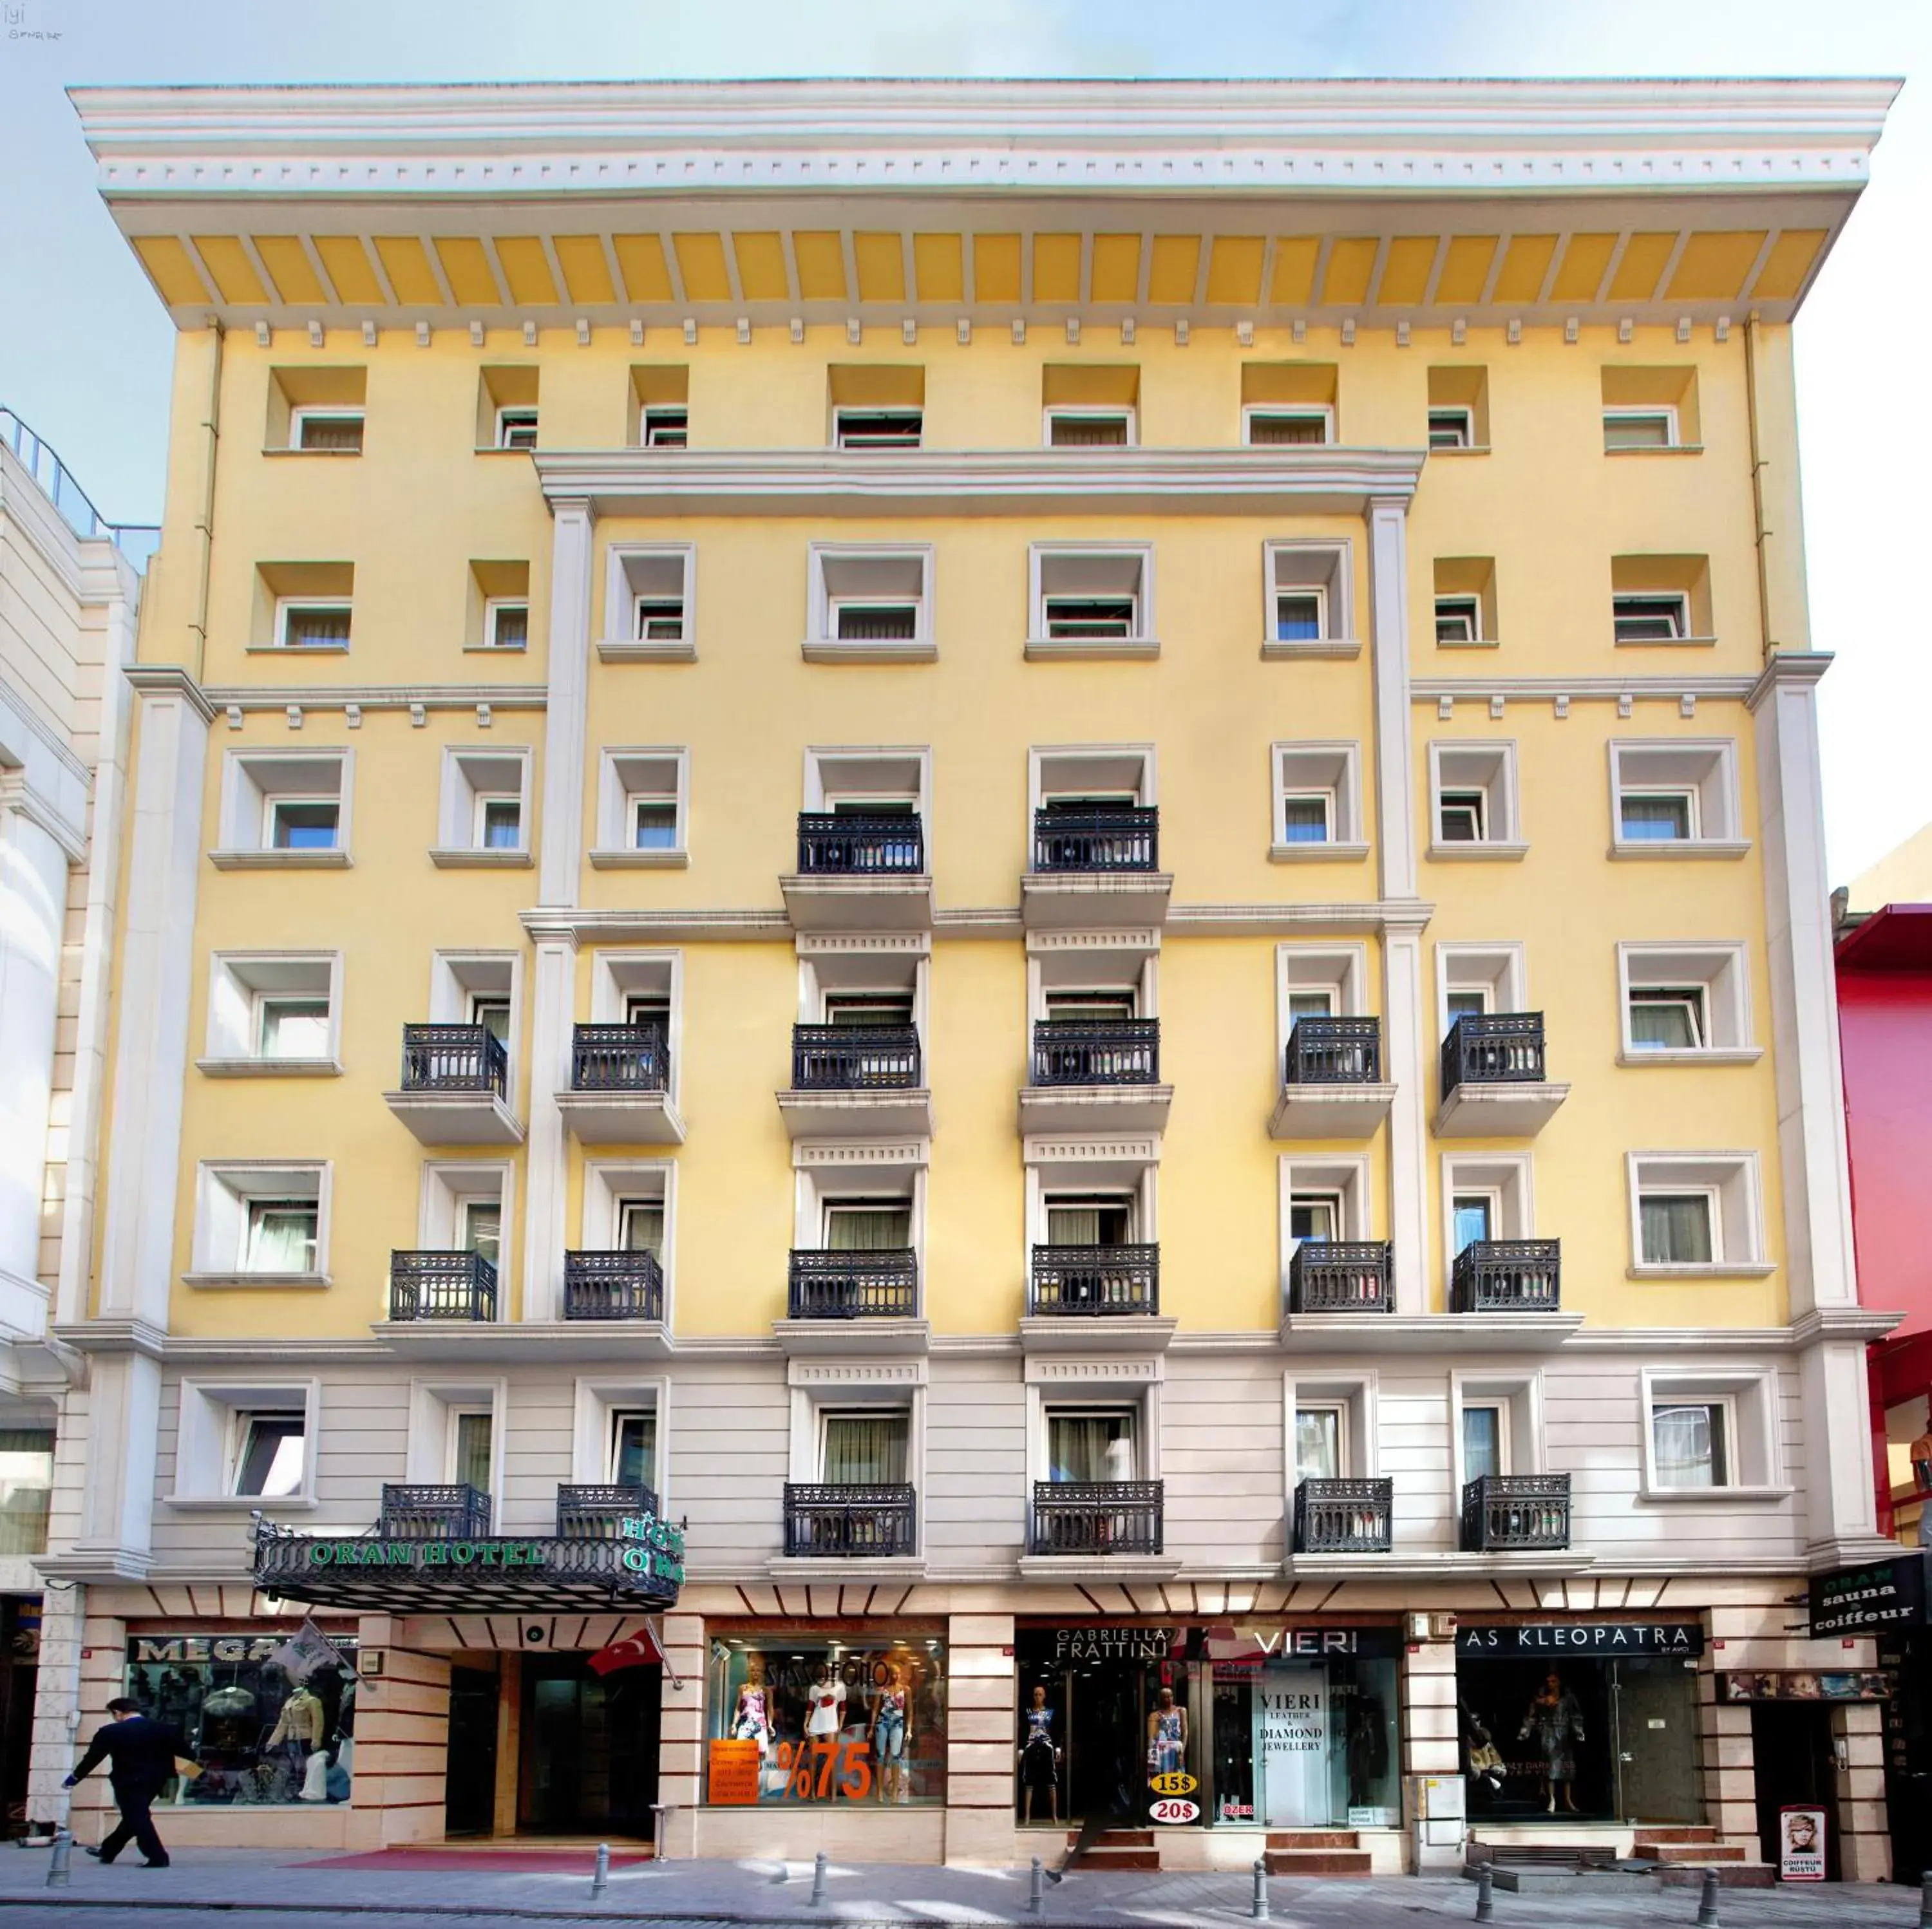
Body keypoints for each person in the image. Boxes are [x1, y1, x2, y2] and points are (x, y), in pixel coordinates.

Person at [63, 1697, 189, 1867]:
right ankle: (108, 1850)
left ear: (118, 1713)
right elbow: (187, 1755)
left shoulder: (110, 1732)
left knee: (138, 1817)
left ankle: (158, 1857)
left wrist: (73, 1779)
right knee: (134, 1816)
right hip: (156, 1781)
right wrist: (190, 1772)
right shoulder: (165, 1730)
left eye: (113, 1715)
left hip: (127, 1781)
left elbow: (92, 1759)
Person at [1518, 1672, 1584, 1815]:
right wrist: (1525, 1731)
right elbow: (1531, 1717)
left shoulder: (1567, 1699)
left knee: (1566, 1767)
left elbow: (1575, 1716)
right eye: (1548, 1682)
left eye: (1553, 1681)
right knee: (1550, 1766)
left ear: (1559, 1683)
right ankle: (1552, 1799)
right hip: (1548, 1733)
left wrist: (1578, 1731)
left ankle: (1568, 1800)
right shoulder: (1540, 1699)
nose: (1550, 1684)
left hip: (1564, 1734)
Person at [1018, 1683, 1061, 1825]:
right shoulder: (1028, 1712)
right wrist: (1021, 1749)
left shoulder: (1050, 1712)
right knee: (1029, 1781)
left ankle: (1054, 1816)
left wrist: (1058, 1748)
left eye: (1040, 1694)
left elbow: (1055, 1730)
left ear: (1045, 1696)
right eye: (1036, 1694)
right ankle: (1027, 1816)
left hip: (1047, 1746)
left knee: (1051, 1780)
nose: (1038, 1697)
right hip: (1031, 1745)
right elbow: (1023, 1730)